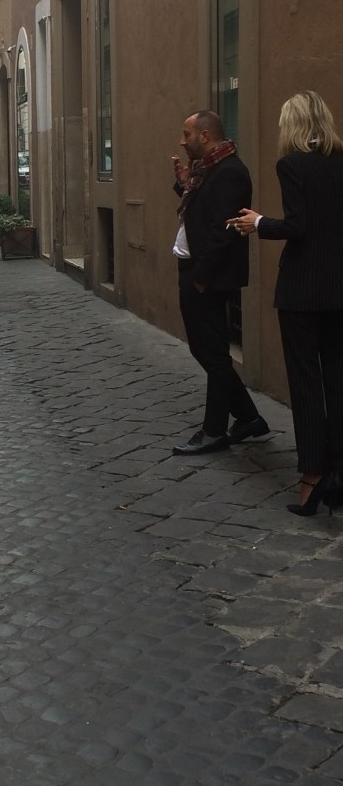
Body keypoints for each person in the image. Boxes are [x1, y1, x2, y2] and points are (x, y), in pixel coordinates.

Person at [227, 91, 343, 515]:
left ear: (292, 124)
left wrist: (258, 222)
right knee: (337, 380)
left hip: (302, 291)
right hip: (338, 289)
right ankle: (339, 473)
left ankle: (312, 477)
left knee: (306, 383)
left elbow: (298, 226)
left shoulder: (291, 164)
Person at [171, 110, 269, 454]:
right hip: (196, 272)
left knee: (214, 356)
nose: (182, 142)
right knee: (204, 350)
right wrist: (185, 184)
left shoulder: (230, 172)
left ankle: (213, 432)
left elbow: (223, 230)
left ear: (205, 136)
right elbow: (202, 212)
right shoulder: (207, 170)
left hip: (208, 277)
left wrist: (201, 277)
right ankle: (249, 418)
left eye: (187, 134)